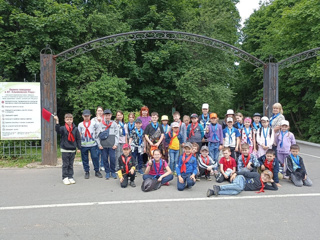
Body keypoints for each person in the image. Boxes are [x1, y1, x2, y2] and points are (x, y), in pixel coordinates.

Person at [54, 113, 81, 185]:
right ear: (65, 120)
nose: (69, 121)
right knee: (65, 164)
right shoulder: (63, 128)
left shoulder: (75, 129)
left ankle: (70, 176)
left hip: (72, 149)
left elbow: (78, 138)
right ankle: (65, 177)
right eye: (67, 119)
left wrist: (79, 147)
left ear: (72, 120)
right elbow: (57, 131)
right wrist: (57, 121)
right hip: (65, 149)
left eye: (70, 119)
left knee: (71, 164)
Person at [207, 170, 278, 197]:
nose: (265, 178)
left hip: (242, 187)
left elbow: (275, 188)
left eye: (267, 178)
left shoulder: (264, 185)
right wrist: (236, 173)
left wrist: (272, 182)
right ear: (261, 174)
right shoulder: (256, 175)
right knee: (239, 187)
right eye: (264, 175)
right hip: (241, 179)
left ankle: (213, 192)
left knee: (235, 192)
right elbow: (245, 173)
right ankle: (219, 187)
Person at [78, 109, 102, 179]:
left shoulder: (93, 123)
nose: (86, 117)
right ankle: (86, 171)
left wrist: (99, 119)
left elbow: (99, 129)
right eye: (85, 116)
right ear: (82, 116)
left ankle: (97, 171)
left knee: (95, 157)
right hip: (83, 145)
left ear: (90, 116)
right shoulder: (80, 124)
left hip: (93, 144)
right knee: (85, 159)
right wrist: (79, 145)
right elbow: (79, 134)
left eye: (88, 116)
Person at [96, 109, 119, 180]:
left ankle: (113, 171)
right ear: (104, 116)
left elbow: (117, 135)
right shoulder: (100, 124)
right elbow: (97, 135)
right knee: (105, 159)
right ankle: (107, 172)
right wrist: (99, 145)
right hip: (104, 146)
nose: (107, 117)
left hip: (112, 145)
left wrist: (116, 144)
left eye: (109, 115)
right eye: (106, 115)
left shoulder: (114, 124)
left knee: (112, 158)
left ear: (111, 115)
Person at [91, 106, 104, 171]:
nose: (99, 112)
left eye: (101, 111)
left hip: (103, 138)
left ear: (103, 112)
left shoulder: (104, 119)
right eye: (98, 110)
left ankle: (102, 165)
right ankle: (97, 165)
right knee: (97, 153)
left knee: (103, 152)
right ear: (96, 111)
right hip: (95, 138)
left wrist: (101, 121)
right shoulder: (93, 120)